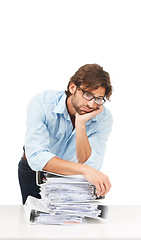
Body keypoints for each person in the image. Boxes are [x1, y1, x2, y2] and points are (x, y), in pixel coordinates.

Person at [18, 63, 113, 204]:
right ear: (72, 87)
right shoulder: (42, 103)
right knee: (36, 221)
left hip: (72, 175)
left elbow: (90, 163)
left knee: (68, 221)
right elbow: (37, 156)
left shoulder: (103, 118)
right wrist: (84, 170)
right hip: (34, 171)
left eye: (98, 98)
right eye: (88, 95)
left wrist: (81, 124)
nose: (92, 105)